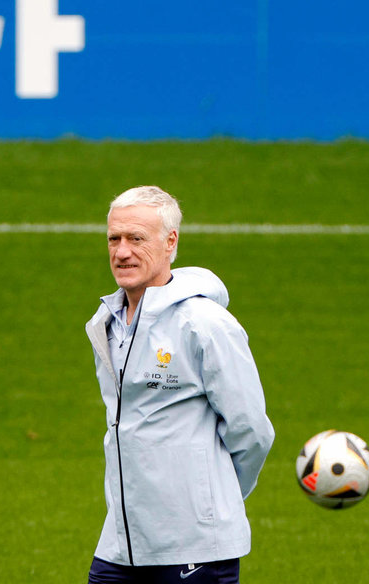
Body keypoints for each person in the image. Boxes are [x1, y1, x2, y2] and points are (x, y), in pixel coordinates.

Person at [85, 186, 275, 584]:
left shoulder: (205, 324)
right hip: (121, 542)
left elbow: (252, 430)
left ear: (171, 242)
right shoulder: (106, 323)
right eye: (114, 238)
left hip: (194, 545)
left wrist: (212, 501)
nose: (121, 252)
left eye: (136, 238)